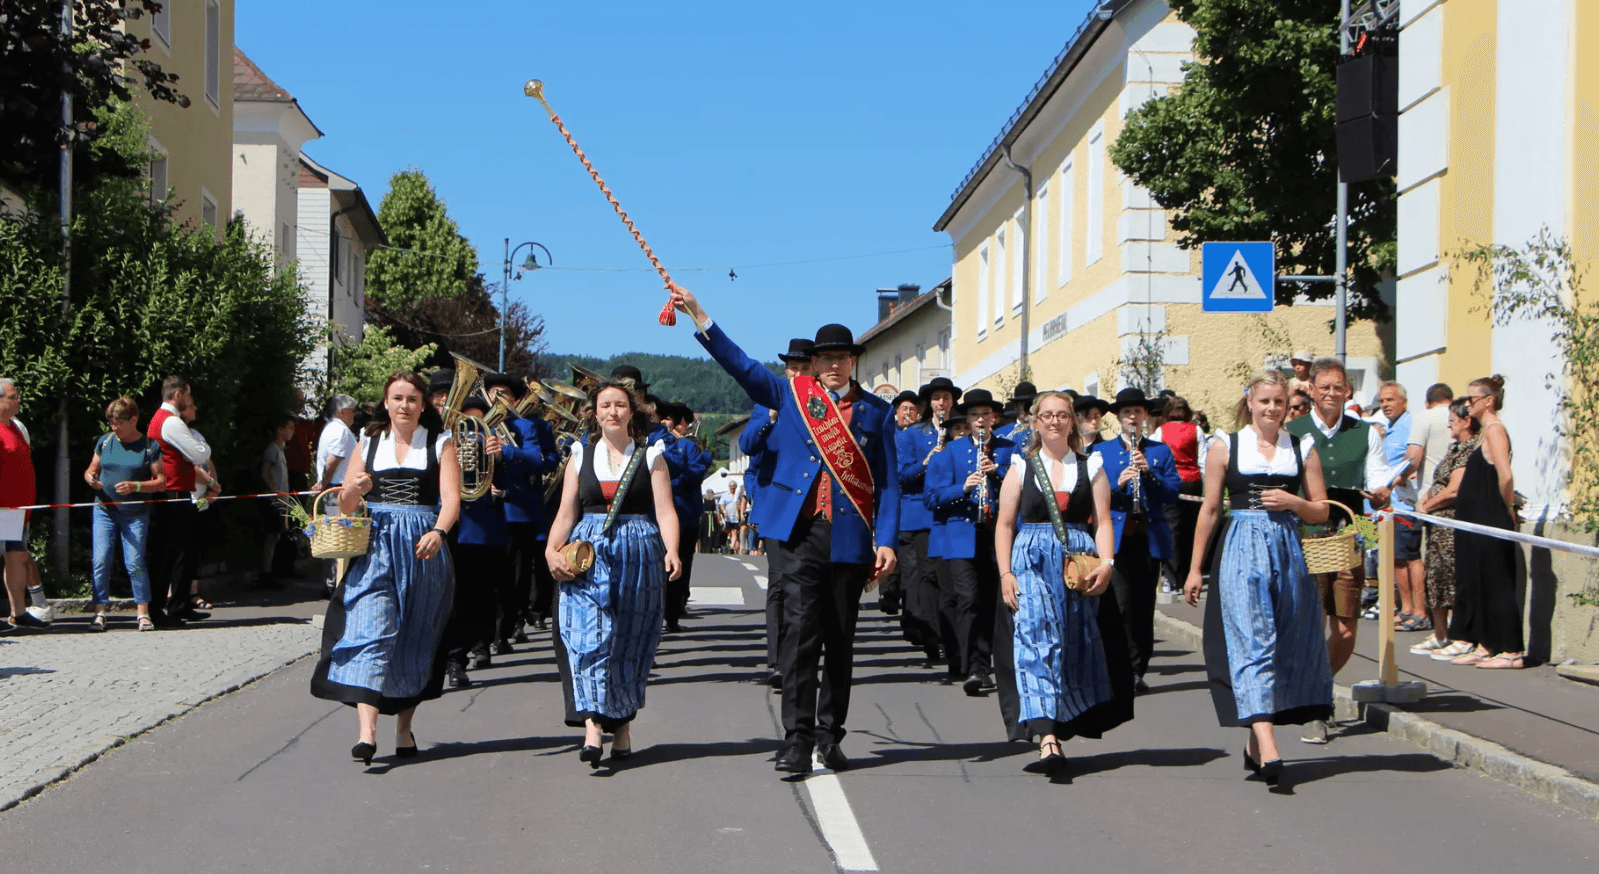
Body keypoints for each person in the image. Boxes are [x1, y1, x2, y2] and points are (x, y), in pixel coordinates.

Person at [672, 285, 899, 775]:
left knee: (840, 640)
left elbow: (890, 486)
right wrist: (701, 316)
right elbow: (743, 366)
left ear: (854, 361)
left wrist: (885, 541)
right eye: (826, 358)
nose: (834, 365)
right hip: (797, 534)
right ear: (814, 364)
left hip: (849, 537)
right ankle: (796, 739)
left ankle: (830, 736)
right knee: (800, 637)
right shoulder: (791, 394)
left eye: (842, 357)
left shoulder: (877, 415)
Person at [1184, 370, 1334, 787]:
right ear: (1249, 402)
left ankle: (1255, 740)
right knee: (1252, 641)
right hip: (1241, 548)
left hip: (1287, 549)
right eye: (1264, 400)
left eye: (1279, 402)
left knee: (1286, 640)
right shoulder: (1225, 445)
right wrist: (1195, 568)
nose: (1271, 408)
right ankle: (1269, 747)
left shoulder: (1302, 447)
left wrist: (1293, 502)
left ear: (1288, 405)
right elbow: (1210, 509)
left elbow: (1323, 510)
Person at [311, 371, 461, 765]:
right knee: (370, 629)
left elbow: (450, 500)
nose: (404, 406)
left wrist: (439, 532)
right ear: (386, 402)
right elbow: (345, 504)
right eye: (397, 398)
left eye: (412, 399)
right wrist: (355, 490)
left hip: (420, 545)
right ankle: (367, 733)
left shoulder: (441, 443)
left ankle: (404, 727)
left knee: (413, 636)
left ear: (423, 403)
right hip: (375, 546)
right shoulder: (368, 441)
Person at [545, 379, 682, 766]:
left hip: (638, 549)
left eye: (620, 405)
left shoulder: (651, 456)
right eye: (605, 405)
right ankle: (592, 727)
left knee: (631, 638)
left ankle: (621, 727)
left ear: (631, 411)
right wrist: (550, 550)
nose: (612, 412)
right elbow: (566, 513)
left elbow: (665, 510)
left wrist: (672, 550)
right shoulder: (579, 456)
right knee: (586, 634)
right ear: (594, 412)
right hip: (588, 551)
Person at [994, 391, 1130, 773]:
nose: (1054, 421)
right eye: (1047, 415)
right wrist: (1006, 572)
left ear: (1073, 421)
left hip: (1077, 561)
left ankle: (1065, 717)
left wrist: (1107, 563)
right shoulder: (1021, 465)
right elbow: (1004, 524)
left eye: (1062, 415)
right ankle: (1046, 735)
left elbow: (1103, 522)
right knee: (1037, 638)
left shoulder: (1093, 465)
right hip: (1032, 559)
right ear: (1035, 421)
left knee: (1073, 640)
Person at [1283, 357, 1386, 744]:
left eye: (1337, 387)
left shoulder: (1367, 432)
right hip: (1299, 533)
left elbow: (1376, 481)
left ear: (1348, 391)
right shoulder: (1291, 431)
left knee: (1346, 624)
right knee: (1309, 621)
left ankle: (1316, 691)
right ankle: (1315, 702)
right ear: (1311, 390)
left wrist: (1380, 492)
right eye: (1323, 386)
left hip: (1349, 530)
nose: (1330, 393)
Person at [925, 388, 1015, 695]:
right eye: (974, 416)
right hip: (961, 534)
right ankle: (973, 666)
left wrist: (999, 474)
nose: (980, 421)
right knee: (969, 598)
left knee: (995, 601)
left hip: (997, 534)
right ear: (968, 419)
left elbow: (1027, 489)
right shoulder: (950, 453)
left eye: (985, 415)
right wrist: (963, 487)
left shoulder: (1009, 450)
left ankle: (990, 661)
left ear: (994, 418)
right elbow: (931, 498)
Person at [1094, 388, 1181, 694]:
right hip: (1117, 538)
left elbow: (1172, 493)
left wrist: (1149, 474)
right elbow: (1093, 498)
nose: (1133, 417)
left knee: (1144, 607)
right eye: (1127, 412)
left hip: (1148, 538)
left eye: (1138, 412)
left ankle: (1136, 669)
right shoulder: (1102, 452)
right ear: (1119, 417)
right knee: (1119, 603)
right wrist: (1117, 486)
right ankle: (1115, 666)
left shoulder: (1160, 451)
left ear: (1146, 417)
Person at [742, 339, 814, 685]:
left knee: (810, 586)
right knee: (780, 584)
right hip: (774, 507)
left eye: (803, 368)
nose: (797, 373)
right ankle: (778, 660)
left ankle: (803, 657)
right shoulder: (768, 401)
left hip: (811, 507)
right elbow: (747, 445)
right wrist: (769, 418)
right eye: (792, 368)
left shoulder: (820, 406)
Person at [1444, 376, 1524, 670]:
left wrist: (1510, 507)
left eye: (1472, 399)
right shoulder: (1484, 433)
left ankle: (1511, 650)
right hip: (1477, 522)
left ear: (1488, 401)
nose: (1467, 404)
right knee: (1481, 583)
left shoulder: (1495, 431)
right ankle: (1486, 644)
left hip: (1492, 519)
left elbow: (1506, 475)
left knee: (1498, 583)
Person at [482, 372, 560, 649]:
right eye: (492, 392)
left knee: (514, 574)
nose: (496, 397)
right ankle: (486, 633)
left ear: (514, 399)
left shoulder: (526, 427)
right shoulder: (477, 424)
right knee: (485, 577)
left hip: (516, 509)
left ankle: (506, 629)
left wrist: (507, 452)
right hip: (482, 511)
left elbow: (538, 459)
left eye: (502, 392)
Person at [82, 398, 165, 630]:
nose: (113, 427)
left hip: (135, 513)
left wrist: (136, 487)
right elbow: (90, 469)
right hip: (104, 511)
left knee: (135, 561)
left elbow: (161, 482)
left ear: (134, 420)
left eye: (118, 422)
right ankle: (99, 611)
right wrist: (91, 479)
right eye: (111, 423)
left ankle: (143, 612)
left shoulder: (149, 446)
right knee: (100, 560)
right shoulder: (105, 441)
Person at [443, 393, 506, 688]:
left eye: (477, 419)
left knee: (475, 597)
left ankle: (464, 654)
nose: (471, 427)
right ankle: (452, 658)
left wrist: (499, 458)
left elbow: (504, 483)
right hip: (450, 525)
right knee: (452, 597)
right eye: (466, 418)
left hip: (479, 528)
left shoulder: (490, 442)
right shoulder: (444, 441)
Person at [896, 379, 958, 667]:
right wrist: (926, 463)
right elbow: (903, 475)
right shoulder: (913, 435)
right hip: (922, 514)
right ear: (929, 404)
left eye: (946, 397)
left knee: (952, 577)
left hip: (953, 512)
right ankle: (933, 636)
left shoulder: (959, 433)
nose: (941, 403)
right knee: (928, 575)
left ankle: (953, 635)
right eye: (936, 398)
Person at [147, 376, 217, 627]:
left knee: (184, 553)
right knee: (170, 555)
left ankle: (180, 604)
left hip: (177, 493)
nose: (190, 400)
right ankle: (163, 609)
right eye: (188, 395)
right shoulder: (171, 422)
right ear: (177, 395)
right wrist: (201, 447)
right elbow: (201, 453)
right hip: (172, 494)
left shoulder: (164, 420)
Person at [1411, 399, 1479, 656]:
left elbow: (1454, 489)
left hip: (1451, 525)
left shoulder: (1470, 449)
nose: (1449, 424)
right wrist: (1426, 497)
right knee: (1436, 578)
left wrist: (1428, 507)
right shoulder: (1454, 448)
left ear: (1466, 421)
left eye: (1452, 419)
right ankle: (1440, 633)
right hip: (1437, 526)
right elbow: (1440, 481)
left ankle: (1458, 634)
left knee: (1451, 579)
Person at [1375, 382, 1427, 631]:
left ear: (1404, 401)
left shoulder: (1410, 425)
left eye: (1390, 400)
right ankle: (1406, 608)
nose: (1385, 405)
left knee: (1410, 557)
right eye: (1382, 401)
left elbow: (1411, 461)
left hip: (1405, 504)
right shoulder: (1391, 428)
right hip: (1389, 507)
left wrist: (1398, 481)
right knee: (1396, 558)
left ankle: (1419, 610)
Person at [657, 401, 712, 633]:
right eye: (661, 418)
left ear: (677, 423)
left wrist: (670, 481)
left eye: (668, 419)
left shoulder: (687, 447)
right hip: (657, 514)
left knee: (681, 563)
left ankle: (673, 613)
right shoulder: (653, 445)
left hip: (684, 512)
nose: (663, 422)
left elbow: (697, 472)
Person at [0, 378, 49, 633]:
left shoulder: (16, 427)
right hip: (2, 510)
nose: (18, 399)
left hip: (17, 510)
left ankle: (18, 612)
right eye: (13, 396)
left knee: (15, 558)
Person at [876, 389, 922, 618]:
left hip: (910, 503)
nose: (908, 413)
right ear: (896, 412)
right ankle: (888, 593)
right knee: (887, 546)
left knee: (908, 559)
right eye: (904, 409)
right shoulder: (889, 432)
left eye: (912, 409)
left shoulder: (919, 435)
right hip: (890, 496)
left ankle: (899, 596)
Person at [1152, 396, 1204, 595]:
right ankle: (1186, 576)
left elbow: (1156, 459)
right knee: (1190, 529)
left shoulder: (1161, 431)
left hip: (1171, 481)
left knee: (1172, 529)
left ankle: (1171, 579)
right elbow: (1203, 461)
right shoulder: (1196, 430)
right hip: (1193, 483)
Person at [314, 395, 360, 597]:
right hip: (337, 489)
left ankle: (331, 582)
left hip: (334, 488)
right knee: (339, 536)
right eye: (353, 410)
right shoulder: (340, 430)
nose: (355, 415)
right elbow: (333, 460)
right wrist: (323, 483)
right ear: (343, 412)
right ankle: (334, 583)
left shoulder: (332, 428)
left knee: (333, 534)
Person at [255, 413, 296, 590]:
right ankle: (265, 573)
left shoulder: (280, 449)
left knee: (277, 535)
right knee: (272, 535)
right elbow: (265, 472)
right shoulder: (272, 449)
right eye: (290, 428)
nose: (292, 432)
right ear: (280, 430)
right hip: (273, 501)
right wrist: (275, 492)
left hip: (281, 500)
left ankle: (270, 571)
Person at [994, 381, 1037, 446]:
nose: (1029, 410)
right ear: (1015, 406)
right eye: (1026, 405)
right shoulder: (1001, 434)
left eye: (1032, 405)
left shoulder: (1045, 431)